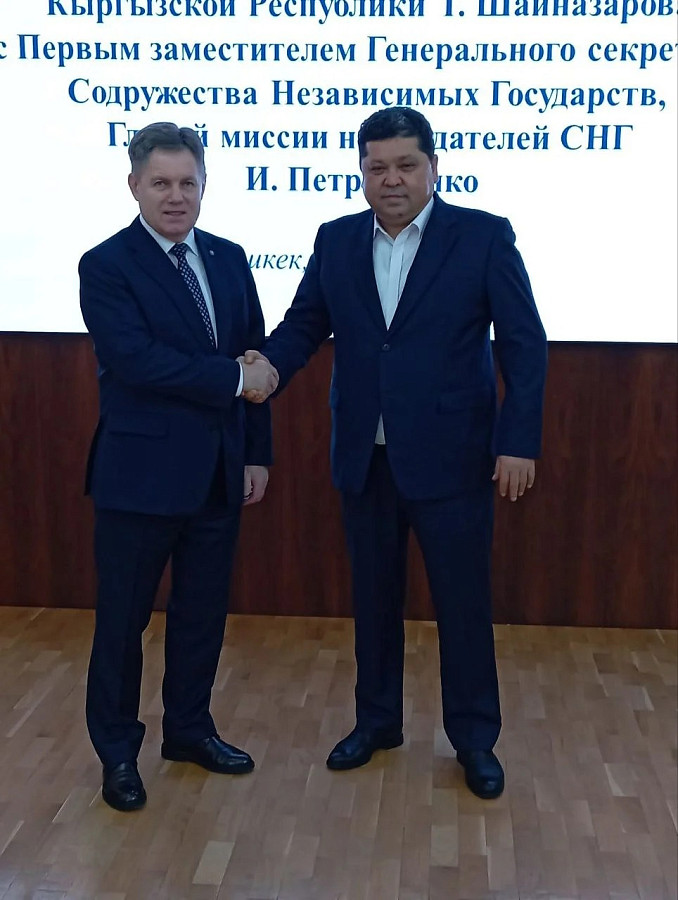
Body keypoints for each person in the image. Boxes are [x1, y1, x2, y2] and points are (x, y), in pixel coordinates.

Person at [242, 107, 547, 800]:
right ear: (362, 173)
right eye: (377, 167)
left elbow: (524, 346)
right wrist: (268, 368)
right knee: (373, 600)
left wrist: (517, 440)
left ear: (434, 167)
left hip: (454, 458)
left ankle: (474, 739)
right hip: (365, 457)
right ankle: (377, 722)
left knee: (462, 604)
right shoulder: (337, 239)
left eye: (406, 165)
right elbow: (305, 323)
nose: (392, 179)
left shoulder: (483, 236)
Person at [79, 122, 279, 812]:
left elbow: (254, 358)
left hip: (220, 472)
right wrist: (233, 379)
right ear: (135, 185)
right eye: (160, 183)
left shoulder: (228, 257)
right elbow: (138, 362)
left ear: (203, 185)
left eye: (187, 182)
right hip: (138, 479)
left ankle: (189, 731)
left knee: (201, 615)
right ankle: (117, 753)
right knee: (122, 623)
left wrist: (257, 452)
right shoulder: (106, 265)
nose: (175, 195)